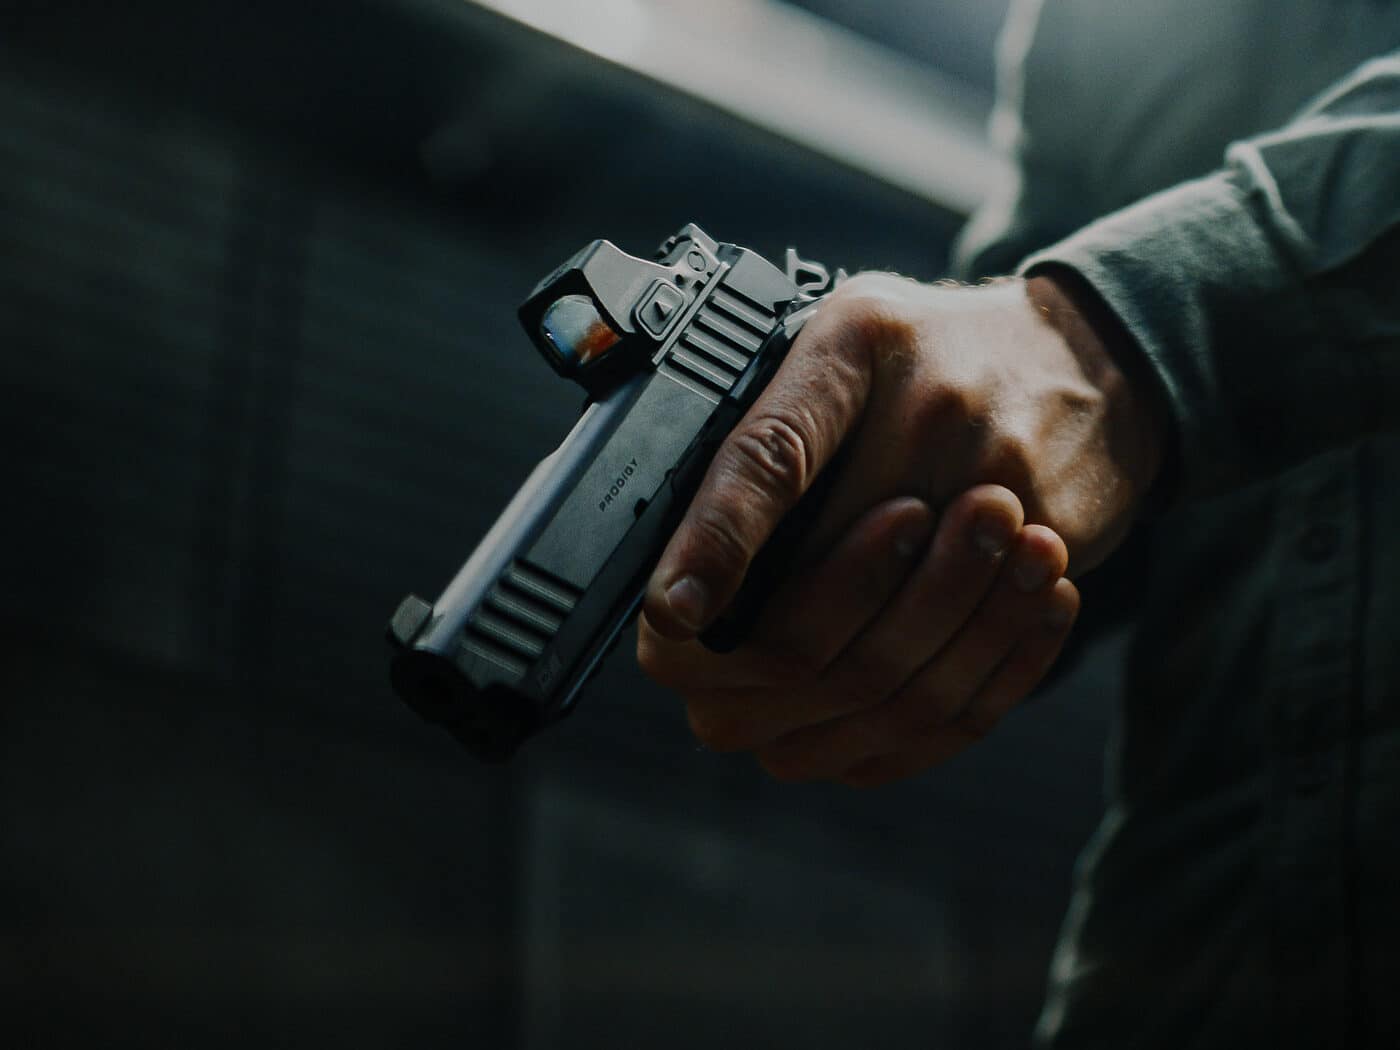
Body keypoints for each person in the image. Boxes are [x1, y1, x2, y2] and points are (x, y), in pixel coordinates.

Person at [636, 0, 1400, 1046]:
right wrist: (853, 556)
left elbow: (1084, 369)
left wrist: (1103, 343)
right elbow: (1037, 473)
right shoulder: (1079, 27)